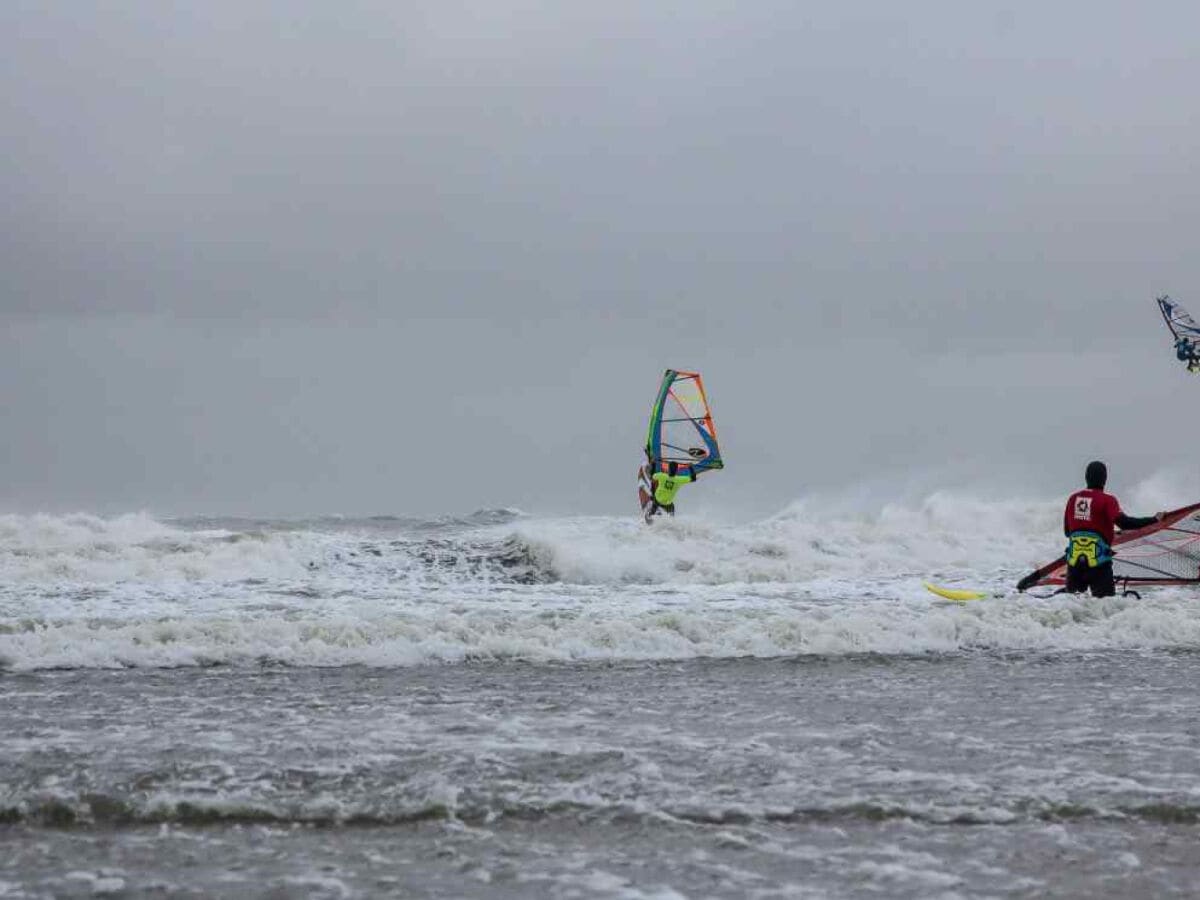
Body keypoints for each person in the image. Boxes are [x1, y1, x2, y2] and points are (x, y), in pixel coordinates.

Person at [1063, 461, 1163, 597]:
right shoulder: (1107, 500)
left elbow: (1068, 532)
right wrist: (1154, 519)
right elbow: (1125, 523)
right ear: (1105, 479)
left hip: (1074, 565)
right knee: (1106, 609)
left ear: (1086, 477)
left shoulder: (1073, 499)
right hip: (1098, 564)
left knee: (1073, 607)